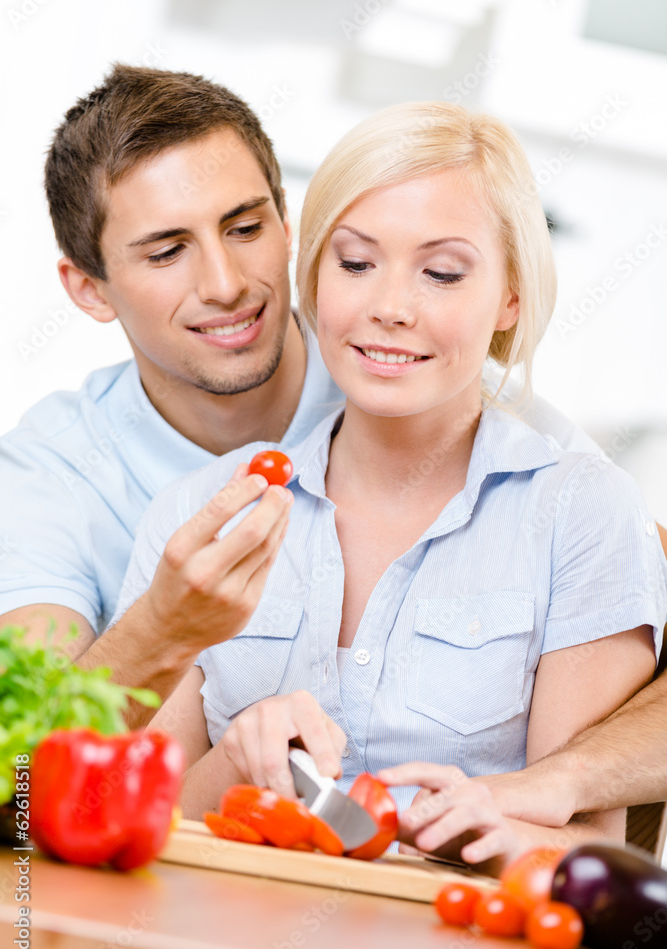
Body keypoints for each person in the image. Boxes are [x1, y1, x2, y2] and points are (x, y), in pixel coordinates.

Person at [115, 101, 666, 868]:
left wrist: (491, 837)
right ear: (311, 276)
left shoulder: (581, 513)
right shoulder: (198, 514)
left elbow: (587, 854)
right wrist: (237, 764)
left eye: (441, 273)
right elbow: (139, 835)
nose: (389, 308)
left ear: (509, 297)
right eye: (354, 262)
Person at [0, 64, 612, 730]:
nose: (226, 284)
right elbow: (19, 761)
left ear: (289, 226)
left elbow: (620, 587)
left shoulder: (423, 383)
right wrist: (161, 628)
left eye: (243, 228)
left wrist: (554, 784)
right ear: (88, 289)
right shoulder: (49, 475)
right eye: (167, 251)